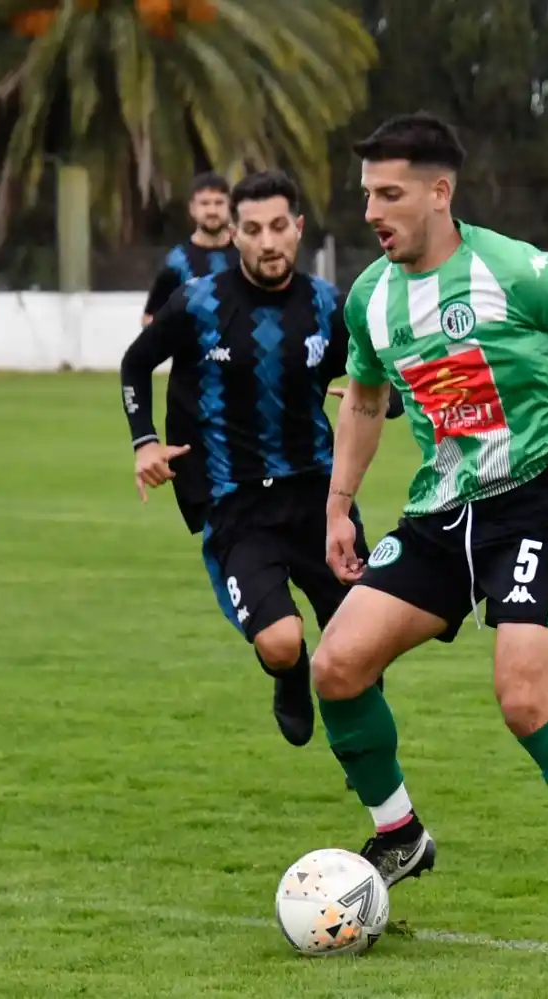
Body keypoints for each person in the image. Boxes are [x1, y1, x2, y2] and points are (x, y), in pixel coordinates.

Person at [310, 111, 548, 953]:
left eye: (389, 195)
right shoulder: (371, 297)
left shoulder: (513, 271)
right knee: (336, 664)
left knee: (525, 696)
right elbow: (363, 397)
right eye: (366, 195)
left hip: (532, 503)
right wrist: (339, 502)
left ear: (441, 192)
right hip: (439, 514)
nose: (372, 212)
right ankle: (399, 832)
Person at [119, 169, 400, 748]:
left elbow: (381, 390)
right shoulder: (199, 303)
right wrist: (144, 439)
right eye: (253, 229)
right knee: (280, 640)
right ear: (235, 236)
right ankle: (290, 675)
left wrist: (382, 400)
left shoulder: (329, 305)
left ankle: (368, 762)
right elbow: (135, 363)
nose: (268, 241)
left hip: (321, 500)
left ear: (297, 229)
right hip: (236, 504)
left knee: (362, 646)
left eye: (278, 227)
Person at [142, 172, 239, 325]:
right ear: (192, 208)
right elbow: (149, 319)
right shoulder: (177, 262)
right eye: (205, 203)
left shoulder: (245, 256)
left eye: (219, 203)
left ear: (230, 206)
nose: (212, 211)